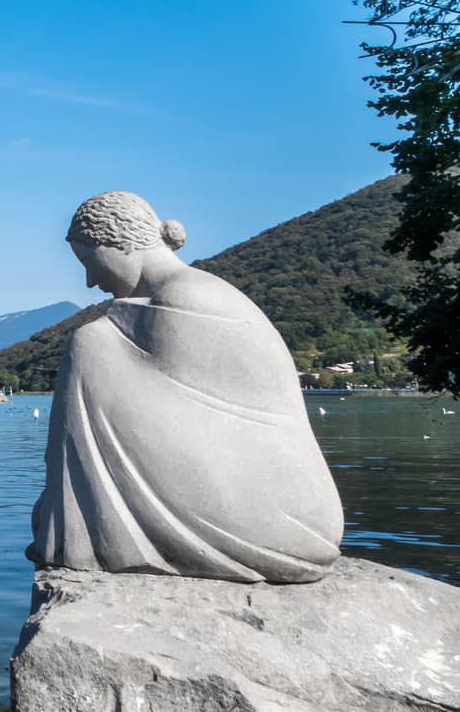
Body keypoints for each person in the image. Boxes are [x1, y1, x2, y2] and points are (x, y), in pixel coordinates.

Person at [28, 192, 342, 583]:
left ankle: (81, 534)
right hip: (302, 516)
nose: (92, 282)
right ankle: (77, 518)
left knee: (90, 344)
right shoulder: (191, 293)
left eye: (91, 263)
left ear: (119, 244)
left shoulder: (186, 297)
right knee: (95, 341)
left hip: (278, 524)